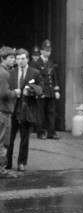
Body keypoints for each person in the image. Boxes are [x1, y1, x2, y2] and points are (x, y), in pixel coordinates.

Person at [5, 48, 43, 171]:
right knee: (9, 138)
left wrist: (31, 91)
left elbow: (41, 90)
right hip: (13, 109)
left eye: (23, 58)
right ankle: (7, 163)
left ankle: (22, 162)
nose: (20, 61)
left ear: (27, 59)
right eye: (18, 58)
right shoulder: (11, 72)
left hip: (27, 109)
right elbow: (8, 89)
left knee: (25, 138)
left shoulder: (35, 72)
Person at [34, 39, 61, 139]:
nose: (48, 52)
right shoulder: (36, 63)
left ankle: (51, 132)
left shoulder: (50, 62)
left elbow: (54, 78)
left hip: (50, 92)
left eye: (49, 50)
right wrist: (37, 91)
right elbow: (34, 79)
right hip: (41, 92)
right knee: (40, 113)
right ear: (41, 51)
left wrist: (56, 90)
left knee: (52, 112)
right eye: (45, 50)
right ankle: (40, 132)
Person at [0, 46, 18, 175]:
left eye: (14, 58)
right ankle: (1, 169)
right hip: (3, 112)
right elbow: (3, 94)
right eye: (11, 58)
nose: (13, 60)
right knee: (3, 141)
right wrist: (15, 92)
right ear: (3, 58)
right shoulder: (4, 73)